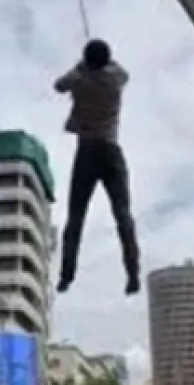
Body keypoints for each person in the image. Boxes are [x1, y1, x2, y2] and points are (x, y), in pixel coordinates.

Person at [54, 39, 140, 295]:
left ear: (88, 61)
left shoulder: (79, 80)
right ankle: (132, 273)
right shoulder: (117, 80)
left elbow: (58, 86)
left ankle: (67, 275)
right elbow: (120, 70)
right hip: (112, 152)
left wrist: (80, 67)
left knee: (76, 217)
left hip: (87, 152)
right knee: (123, 216)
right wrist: (96, 64)